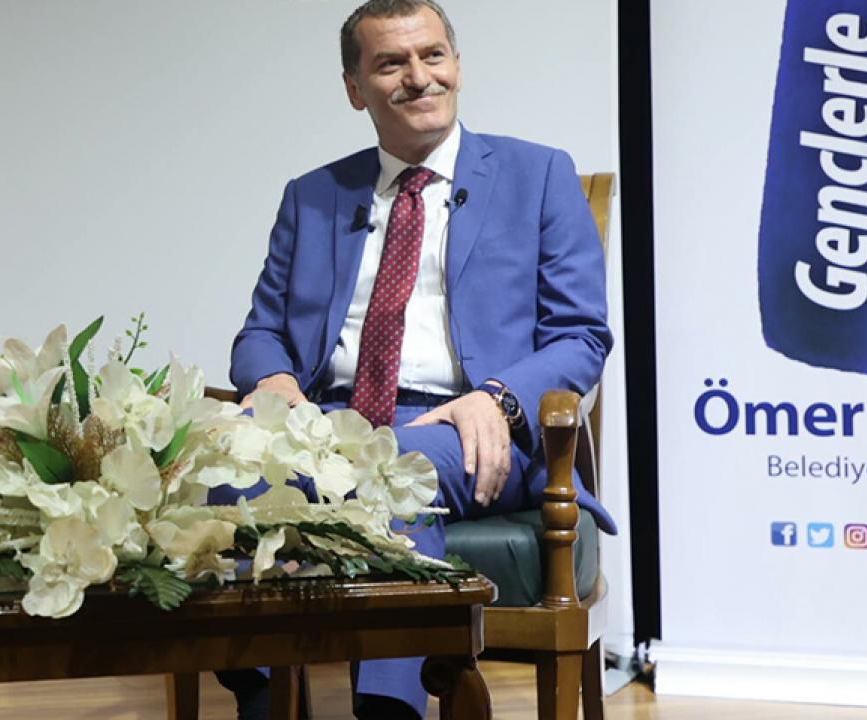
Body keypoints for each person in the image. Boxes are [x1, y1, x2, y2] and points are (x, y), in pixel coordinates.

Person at [211, 1, 613, 717]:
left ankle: (388, 710)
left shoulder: (539, 174)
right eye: (391, 63)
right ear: (355, 88)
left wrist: (499, 398)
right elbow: (261, 332)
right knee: (221, 472)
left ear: (456, 65)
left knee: (392, 473)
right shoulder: (313, 197)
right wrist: (273, 379)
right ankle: (266, 696)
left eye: (432, 55)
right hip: (330, 423)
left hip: (466, 425)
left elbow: (581, 336)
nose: (418, 77)